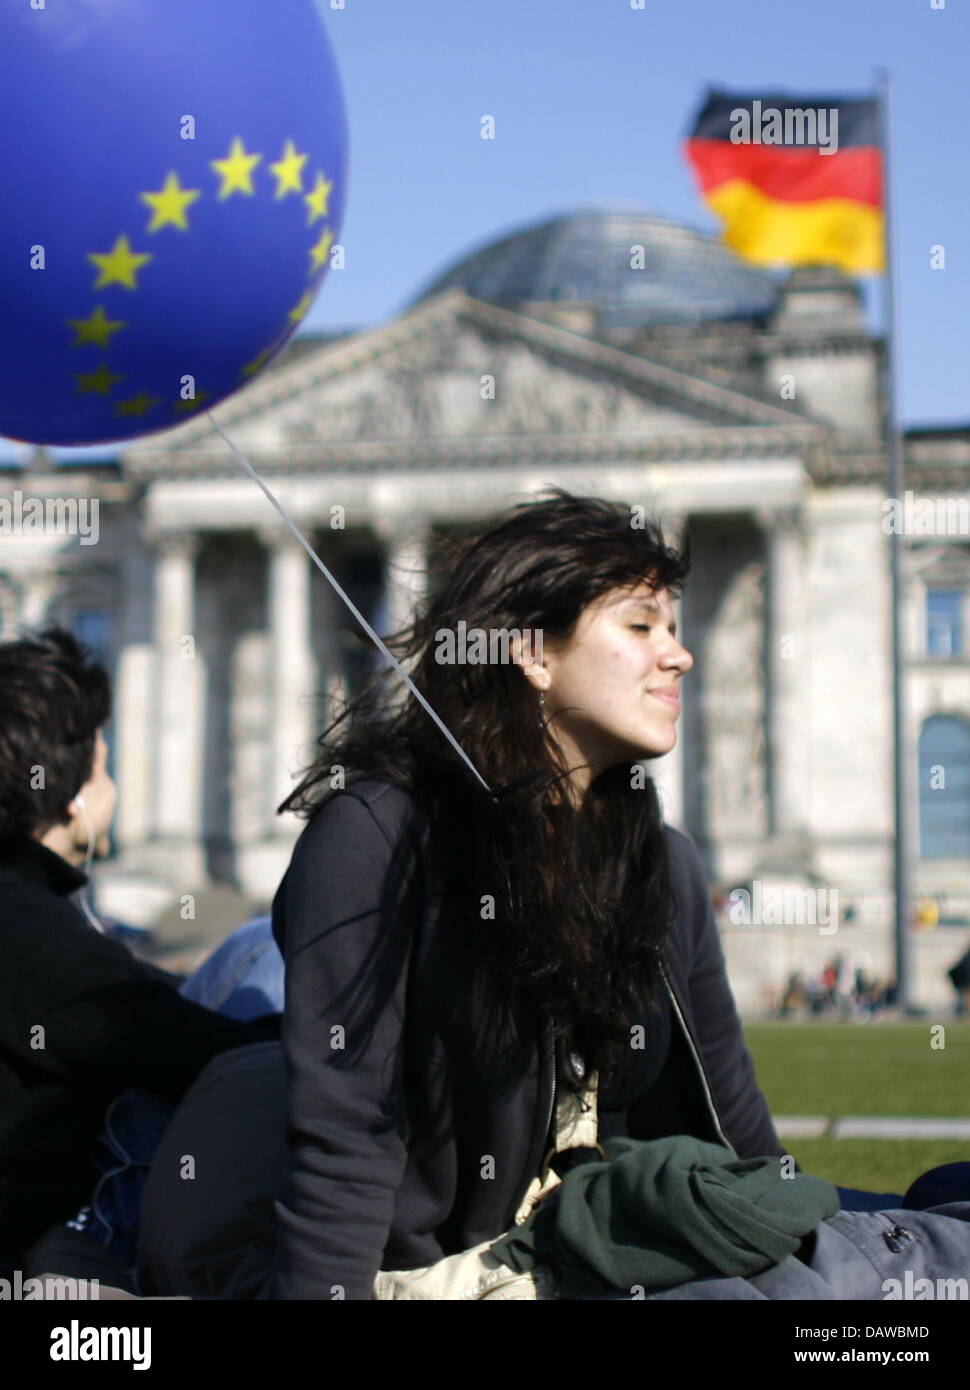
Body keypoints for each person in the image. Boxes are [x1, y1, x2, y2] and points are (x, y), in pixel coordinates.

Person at [261, 489, 795, 1301]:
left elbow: (734, 1126)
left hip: (620, 1246)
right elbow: (343, 1137)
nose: (678, 656)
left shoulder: (662, 864)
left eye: (675, 629)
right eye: (641, 626)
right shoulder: (377, 838)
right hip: (455, 1276)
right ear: (532, 655)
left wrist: (801, 1236)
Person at [0, 625, 278, 1270]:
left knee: (249, 944)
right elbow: (198, 1054)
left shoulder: (33, 921)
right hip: (60, 1241)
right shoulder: (33, 932)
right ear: (72, 800)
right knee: (268, 950)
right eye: (106, 767)